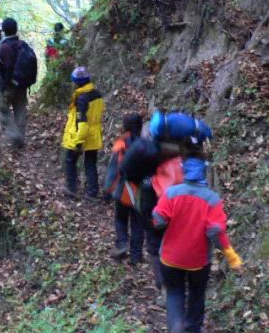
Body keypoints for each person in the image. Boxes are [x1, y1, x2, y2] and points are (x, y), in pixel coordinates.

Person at [121, 111, 214, 305]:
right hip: (184, 206)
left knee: (156, 247)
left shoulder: (145, 152)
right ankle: (184, 284)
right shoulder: (184, 147)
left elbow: (128, 173)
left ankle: (166, 289)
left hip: (152, 205)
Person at [152, 156, 243, 333]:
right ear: (203, 174)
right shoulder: (212, 199)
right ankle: (191, 330)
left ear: (185, 173)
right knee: (197, 292)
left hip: (170, 256)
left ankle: (175, 326)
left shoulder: (172, 193)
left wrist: (161, 223)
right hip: (198, 260)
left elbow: (158, 218)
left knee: (175, 292)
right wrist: (232, 257)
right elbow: (216, 231)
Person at [103, 113, 145, 263]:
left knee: (120, 218)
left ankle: (122, 243)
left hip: (123, 189)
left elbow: (113, 168)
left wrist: (107, 189)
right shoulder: (146, 143)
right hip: (141, 192)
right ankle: (136, 256)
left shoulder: (121, 143)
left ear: (125, 126)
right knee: (138, 224)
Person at [0, 17, 37, 148]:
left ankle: (15, 136)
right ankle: (21, 139)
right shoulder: (23, 45)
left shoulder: (4, 47)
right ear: (16, 29)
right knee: (20, 110)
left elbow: (0, 67)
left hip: (8, 86)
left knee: (2, 109)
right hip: (22, 85)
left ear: (4, 31)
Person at [61, 66, 104, 198]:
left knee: (70, 161)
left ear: (78, 82)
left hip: (82, 135)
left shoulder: (82, 99)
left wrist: (78, 143)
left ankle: (71, 189)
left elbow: (83, 123)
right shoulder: (97, 94)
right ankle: (92, 192)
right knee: (90, 163)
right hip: (94, 134)